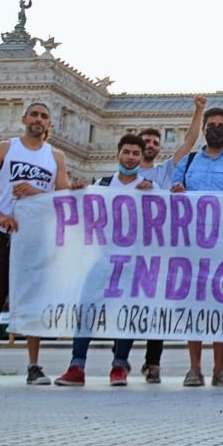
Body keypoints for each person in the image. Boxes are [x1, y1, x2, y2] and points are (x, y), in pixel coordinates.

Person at [0, 101, 71, 386]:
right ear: (24, 118)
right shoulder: (6, 148)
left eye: (44, 116)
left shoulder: (56, 157)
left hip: (36, 236)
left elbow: (63, 199)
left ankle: (34, 366)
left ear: (50, 124)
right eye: (34, 115)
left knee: (33, 299)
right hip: (0, 233)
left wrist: (37, 191)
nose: (38, 120)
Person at [170, 106, 223, 387]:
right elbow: (171, 195)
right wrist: (176, 192)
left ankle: (220, 368)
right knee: (194, 304)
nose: (215, 129)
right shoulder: (188, 161)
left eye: (221, 125)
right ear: (204, 129)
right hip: (192, 243)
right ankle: (194, 368)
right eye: (210, 125)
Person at [55, 134, 151, 387]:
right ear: (117, 154)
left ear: (142, 158)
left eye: (135, 154)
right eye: (127, 152)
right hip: (100, 259)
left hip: (132, 262)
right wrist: (75, 194)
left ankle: (119, 366)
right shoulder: (102, 184)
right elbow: (83, 216)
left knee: (125, 314)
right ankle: (77, 365)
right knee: (87, 308)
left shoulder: (148, 188)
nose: (131, 157)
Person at [135, 94, 205, 384]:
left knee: (157, 305)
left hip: (162, 248)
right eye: (145, 143)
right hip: (129, 249)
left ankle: (152, 363)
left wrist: (198, 110)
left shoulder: (166, 171)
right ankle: (119, 359)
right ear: (133, 149)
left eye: (154, 142)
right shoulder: (117, 178)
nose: (150, 146)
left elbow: (189, 143)